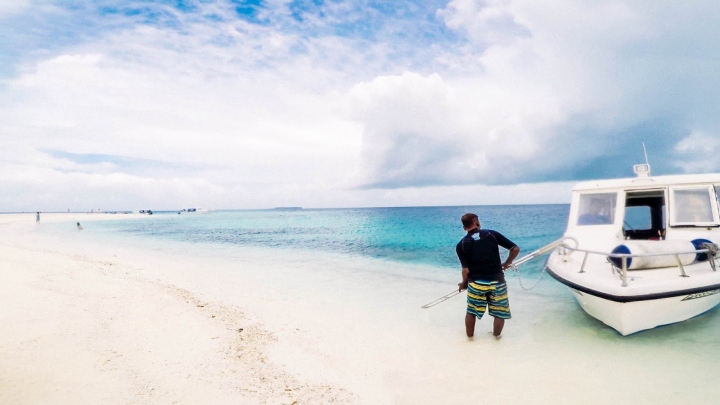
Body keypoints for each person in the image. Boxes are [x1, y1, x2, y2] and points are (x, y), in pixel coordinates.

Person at [456, 213, 519, 339]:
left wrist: (464, 284)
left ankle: (470, 339)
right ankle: (496, 339)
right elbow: (515, 249)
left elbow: (466, 271)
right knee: (499, 313)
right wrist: (507, 263)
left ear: (464, 228)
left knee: (471, 312)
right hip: (497, 282)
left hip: (476, 283)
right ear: (477, 223)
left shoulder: (461, 244)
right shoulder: (492, 234)